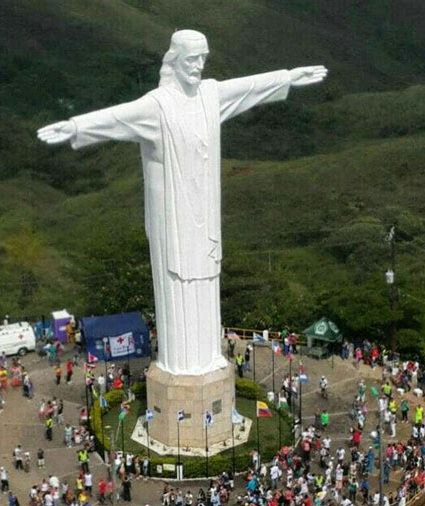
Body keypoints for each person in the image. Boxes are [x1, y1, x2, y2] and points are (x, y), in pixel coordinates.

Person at [37, 29, 327, 376]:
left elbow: (249, 88)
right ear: (174, 60)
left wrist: (289, 78)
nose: (199, 66)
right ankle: (179, 363)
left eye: (204, 58)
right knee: (177, 284)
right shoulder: (157, 106)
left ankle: (207, 358)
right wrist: (75, 127)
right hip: (171, 217)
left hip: (204, 212)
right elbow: (117, 117)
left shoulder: (210, 95)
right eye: (192, 59)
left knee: (207, 280)